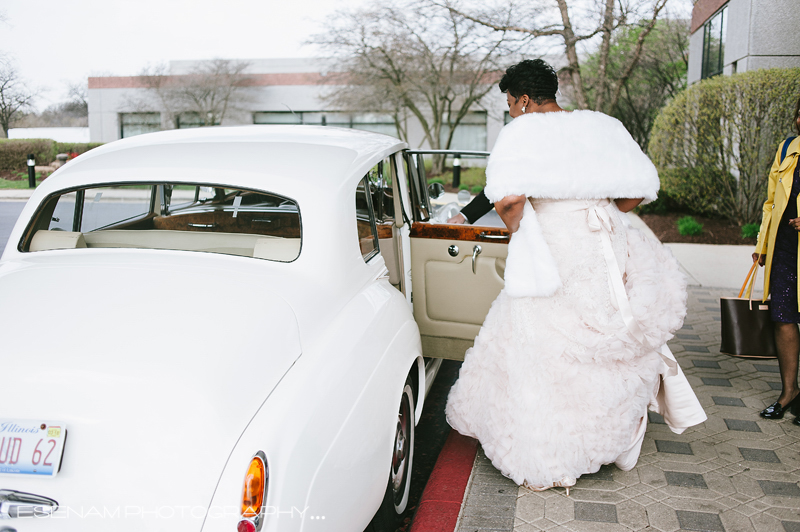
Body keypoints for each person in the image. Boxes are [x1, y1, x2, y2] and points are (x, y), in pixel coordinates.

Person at [444, 59, 706, 493]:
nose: (511, 111)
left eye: (510, 103)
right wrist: (597, 208)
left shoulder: (522, 133)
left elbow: (509, 201)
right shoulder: (604, 126)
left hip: (554, 244)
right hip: (604, 244)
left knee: (546, 344)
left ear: (524, 99)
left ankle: (553, 452)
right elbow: (637, 191)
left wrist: (526, 230)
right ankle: (614, 435)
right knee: (605, 334)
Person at [752, 96, 800, 424]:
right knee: (783, 318)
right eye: (799, 113)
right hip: (784, 246)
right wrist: (762, 244)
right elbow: (771, 201)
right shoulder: (786, 149)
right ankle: (789, 391)